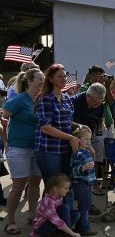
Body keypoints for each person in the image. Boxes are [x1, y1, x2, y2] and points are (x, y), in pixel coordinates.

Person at [2, 68, 44, 234]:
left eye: (43, 79)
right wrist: (6, 141)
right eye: (39, 79)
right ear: (30, 81)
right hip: (18, 148)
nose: (42, 82)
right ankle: (10, 220)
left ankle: (32, 215)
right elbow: (3, 117)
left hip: (36, 148)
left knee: (35, 182)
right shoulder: (20, 99)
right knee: (19, 185)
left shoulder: (39, 101)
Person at [35, 64, 79, 200]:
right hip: (49, 150)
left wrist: (80, 126)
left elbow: (66, 122)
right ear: (50, 79)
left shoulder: (66, 99)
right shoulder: (45, 99)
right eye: (60, 76)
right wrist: (70, 137)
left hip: (65, 149)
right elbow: (45, 127)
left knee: (64, 186)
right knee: (53, 187)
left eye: (65, 76)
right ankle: (46, 218)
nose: (64, 79)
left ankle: (61, 217)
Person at [71, 83, 106, 197]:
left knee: (94, 154)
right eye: (96, 102)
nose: (97, 105)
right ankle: (76, 188)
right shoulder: (74, 102)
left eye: (100, 102)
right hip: (75, 136)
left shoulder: (99, 103)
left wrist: (101, 124)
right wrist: (82, 128)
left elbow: (100, 117)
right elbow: (69, 124)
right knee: (79, 161)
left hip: (90, 134)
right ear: (88, 96)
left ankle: (93, 183)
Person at [30, 173, 83, 237]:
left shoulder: (59, 196)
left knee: (76, 214)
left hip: (52, 223)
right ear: (55, 188)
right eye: (66, 188)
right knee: (65, 208)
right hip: (42, 228)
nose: (68, 190)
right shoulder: (48, 201)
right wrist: (72, 233)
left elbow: (61, 217)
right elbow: (57, 221)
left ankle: (55, 235)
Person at [70, 126, 98, 236]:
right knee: (85, 206)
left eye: (89, 139)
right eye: (85, 139)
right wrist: (83, 168)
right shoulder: (77, 154)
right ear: (78, 139)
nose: (88, 141)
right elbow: (73, 170)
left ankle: (81, 226)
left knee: (85, 205)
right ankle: (84, 228)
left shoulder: (85, 152)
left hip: (87, 184)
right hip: (81, 184)